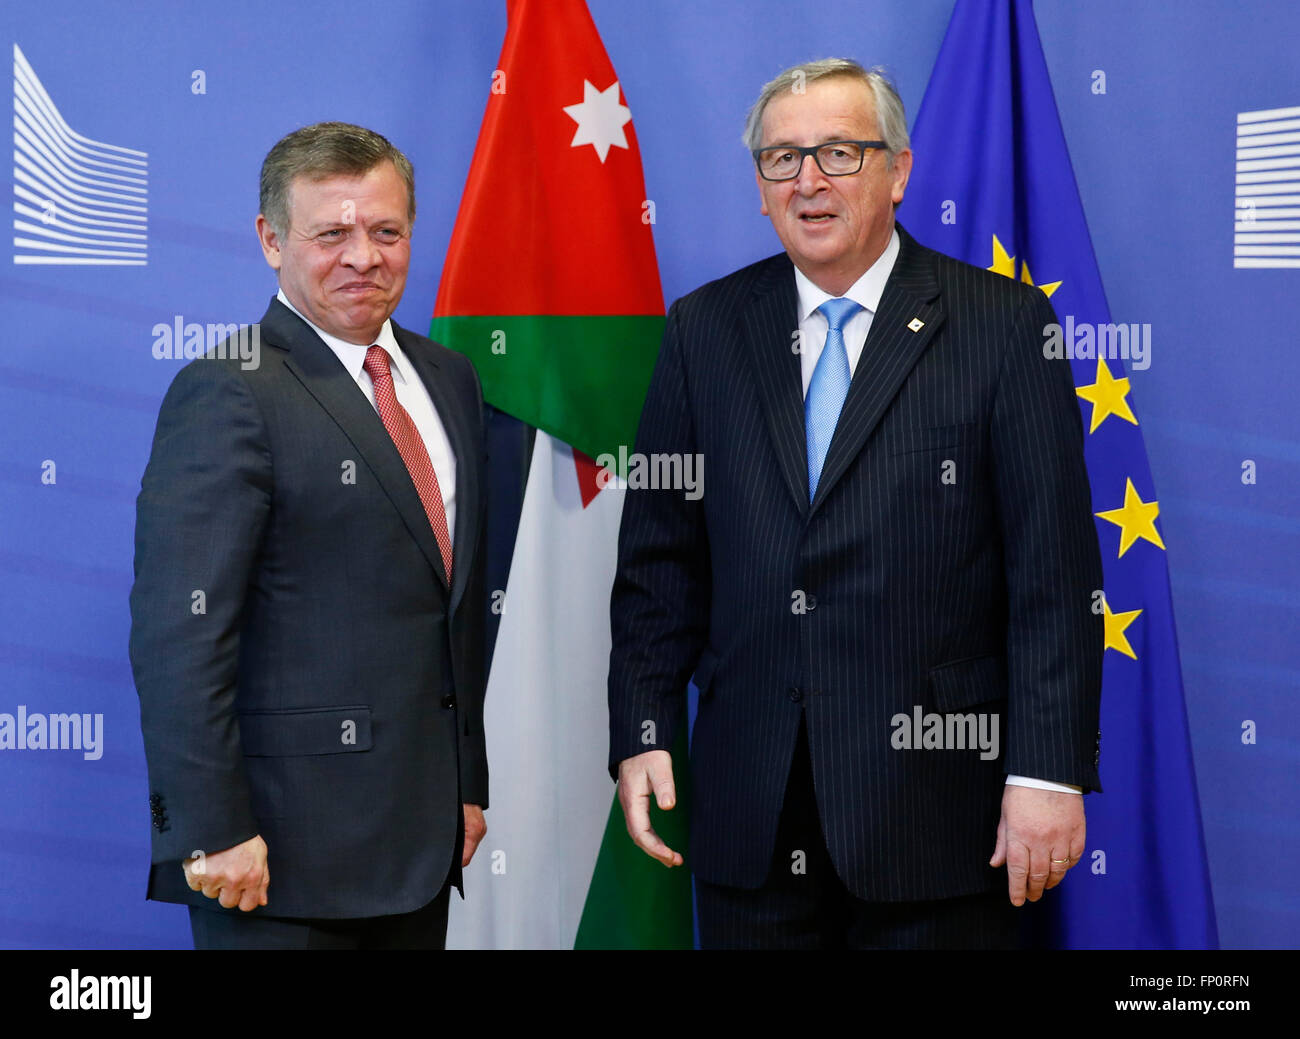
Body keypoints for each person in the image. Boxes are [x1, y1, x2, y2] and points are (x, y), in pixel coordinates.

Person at [607, 60, 1103, 949]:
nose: (809, 182)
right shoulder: (702, 331)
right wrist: (642, 729)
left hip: (944, 818)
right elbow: (658, 562)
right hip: (752, 813)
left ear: (899, 171)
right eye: (782, 159)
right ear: (760, 187)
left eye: (838, 152)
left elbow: (1055, 579)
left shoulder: (1003, 326)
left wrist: (1049, 773)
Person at [129, 122, 488, 949]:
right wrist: (208, 828)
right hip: (273, 866)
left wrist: (465, 784)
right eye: (332, 232)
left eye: (386, 230)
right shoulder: (227, 391)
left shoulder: (450, 380)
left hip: (422, 846)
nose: (363, 255)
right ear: (271, 240)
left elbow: (453, 611)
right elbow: (179, 636)